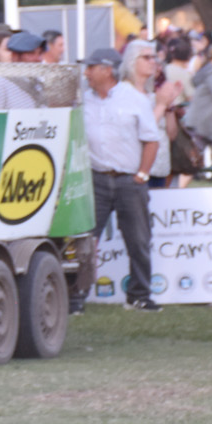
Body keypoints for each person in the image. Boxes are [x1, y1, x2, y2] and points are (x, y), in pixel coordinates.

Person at [81, 47, 161, 312]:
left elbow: (151, 139)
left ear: (106, 70)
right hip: (95, 178)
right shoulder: (83, 100)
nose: (86, 73)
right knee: (84, 241)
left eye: (91, 68)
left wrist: (142, 174)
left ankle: (140, 295)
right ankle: (75, 298)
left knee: (138, 240)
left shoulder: (134, 98)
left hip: (129, 179)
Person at [121, 40, 181, 186]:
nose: (153, 62)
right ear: (132, 60)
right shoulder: (123, 93)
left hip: (160, 169)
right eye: (147, 58)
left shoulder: (152, 95)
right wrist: (161, 106)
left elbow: (171, 135)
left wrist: (169, 107)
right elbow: (139, 132)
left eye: (155, 58)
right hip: (137, 170)